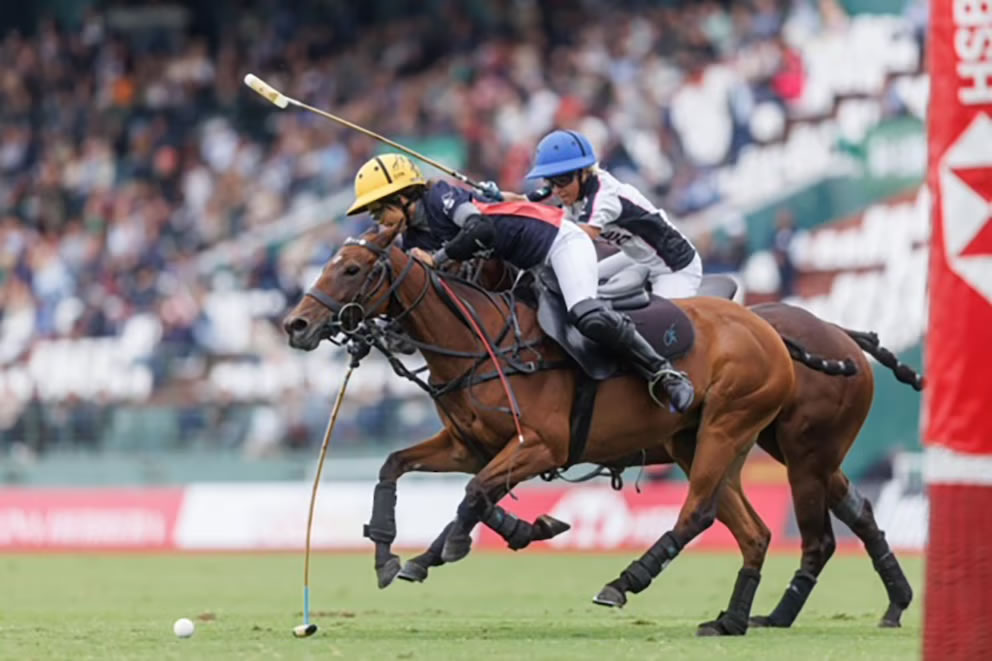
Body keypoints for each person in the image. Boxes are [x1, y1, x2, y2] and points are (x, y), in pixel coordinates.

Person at [345, 153, 695, 412]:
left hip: (560, 242)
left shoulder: (440, 198)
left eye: (380, 211)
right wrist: (379, 331)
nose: (380, 222)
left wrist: (437, 259)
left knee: (585, 313)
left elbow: (478, 227)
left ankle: (664, 375)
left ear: (404, 198)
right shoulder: (413, 239)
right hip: (533, 265)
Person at [516, 130, 703, 300]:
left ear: (583, 173)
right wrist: (494, 198)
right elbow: (522, 200)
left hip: (674, 267)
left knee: (661, 329)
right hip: (637, 257)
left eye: (562, 181)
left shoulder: (603, 197)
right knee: (582, 284)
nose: (557, 190)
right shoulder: (571, 190)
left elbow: (578, 239)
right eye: (550, 182)